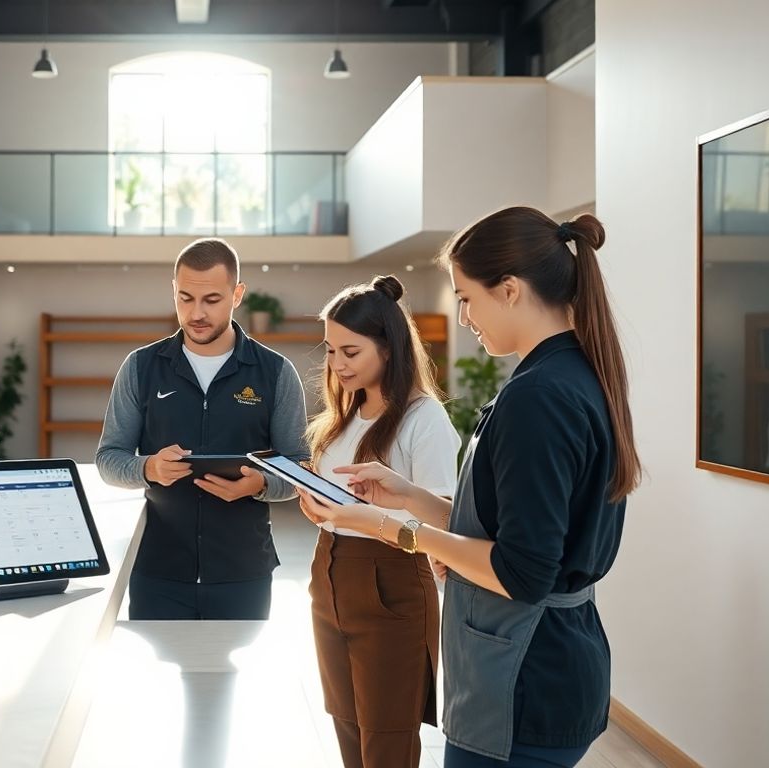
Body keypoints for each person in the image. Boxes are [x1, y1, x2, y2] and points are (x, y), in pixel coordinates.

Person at [298, 207, 641, 768]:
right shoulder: (569, 375)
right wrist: (410, 496)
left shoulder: (539, 398)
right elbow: (515, 527)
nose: (462, 317)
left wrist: (394, 528)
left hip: (524, 678)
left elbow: (521, 571)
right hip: (551, 661)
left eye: (465, 297)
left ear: (508, 291)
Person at [96, 237, 309, 620]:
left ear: (237, 294)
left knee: (234, 682)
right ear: (173, 291)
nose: (196, 313)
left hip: (243, 572)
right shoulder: (140, 368)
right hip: (158, 572)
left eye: (211, 300)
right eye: (185, 298)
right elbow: (109, 459)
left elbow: (299, 466)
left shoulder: (275, 373)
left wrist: (259, 485)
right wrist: (148, 468)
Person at [304, 275, 461, 768]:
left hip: (391, 577)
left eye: (351, 352)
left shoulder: (423, 417)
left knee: (387, 737)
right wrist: (316, 505)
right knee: (347, 724)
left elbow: (445, 513)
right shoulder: (344, 413)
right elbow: (341, 501)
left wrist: (367, 517)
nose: (337, 364)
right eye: (330, 351)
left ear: (389, 348)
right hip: (329, 572)